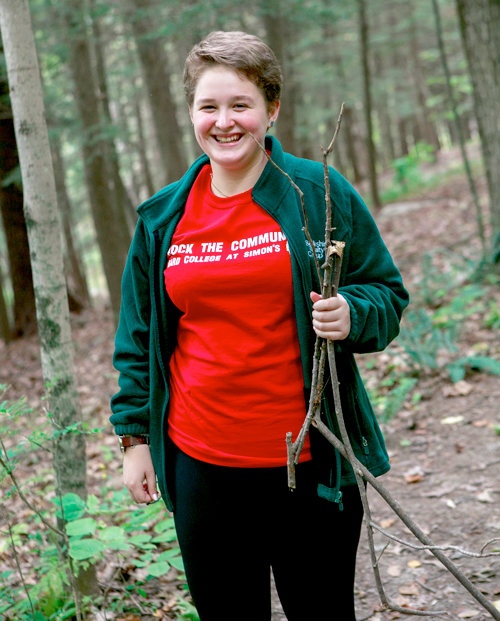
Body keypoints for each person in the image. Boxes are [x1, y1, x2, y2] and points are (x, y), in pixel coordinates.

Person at [110, 31, 409, 621]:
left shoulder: (317, 192)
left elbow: (386, 293)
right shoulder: (163, 217)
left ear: (271, 110)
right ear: (192, 112)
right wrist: (134, 438)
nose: (225, 122)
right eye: (209, 106)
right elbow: (138, 336)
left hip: (310, 463)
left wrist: (353, 312)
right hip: (202, 467)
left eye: (240, 105)